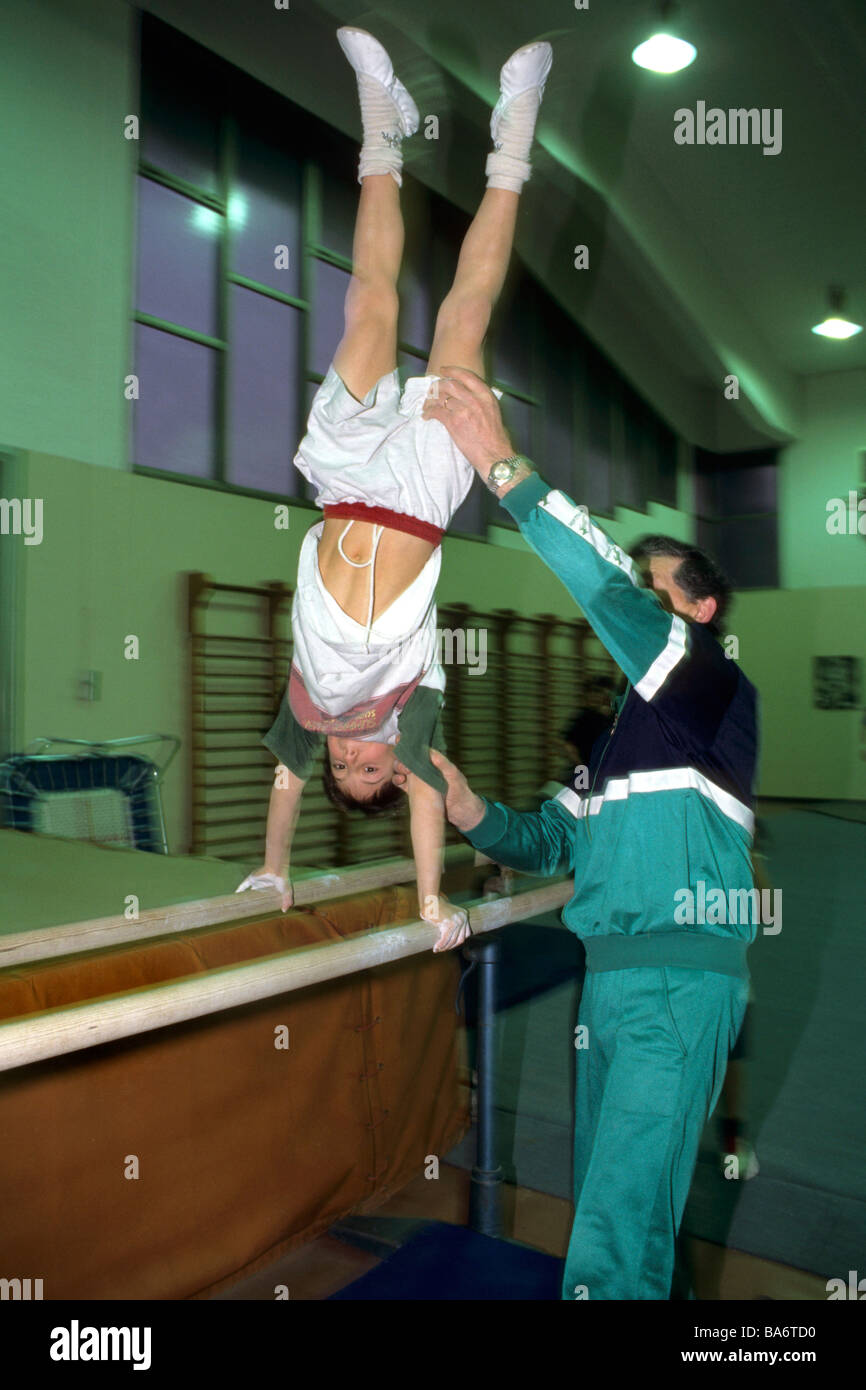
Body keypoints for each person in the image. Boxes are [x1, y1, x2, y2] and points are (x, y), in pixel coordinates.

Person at [411, 366, 759, 1298]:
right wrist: (471, 811)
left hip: (679, 983)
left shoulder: (714, 687)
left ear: (699, 610)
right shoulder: (610, 744)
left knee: (607, 1239)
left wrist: (503, 468)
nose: (637, 609)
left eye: (657, 594)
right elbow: (551, 844)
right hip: (606, 988)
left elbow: (607, 589)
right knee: (629, 1222)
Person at [236, 30, 554, 953]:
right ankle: (513, 137)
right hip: (417, 491)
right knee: (463, 312)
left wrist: (277, 867)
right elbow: (427, 802)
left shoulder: (307, 710)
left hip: (342, 481)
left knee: (367, 301)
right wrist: (430, 903)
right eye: (368, 767)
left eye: (346, 762)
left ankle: (381, 125)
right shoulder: (413, 707)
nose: (350, 752)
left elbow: (285, 784)